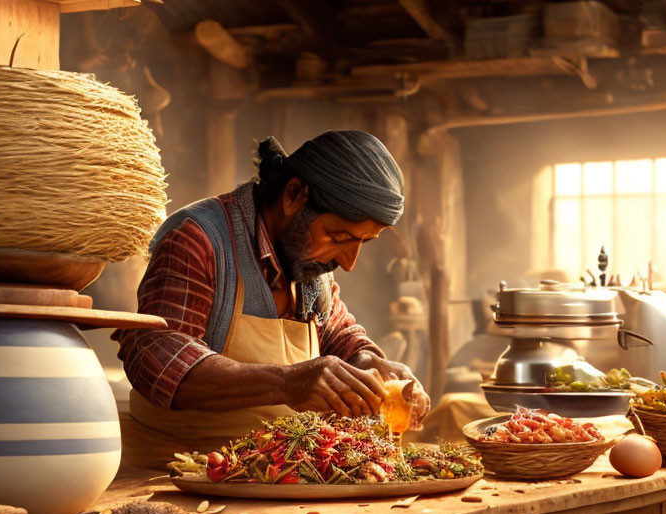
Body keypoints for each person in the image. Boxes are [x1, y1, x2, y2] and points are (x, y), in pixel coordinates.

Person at [114, 131, 430, 469]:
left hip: (274, 474)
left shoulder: (312, 263)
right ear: (293, 195)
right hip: (174, 476)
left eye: (362, 243)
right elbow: (159, 360)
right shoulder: (199, 239)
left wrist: (366, 361)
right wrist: (287, 382)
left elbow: (338, 332)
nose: (349, 263)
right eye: (339, 237)